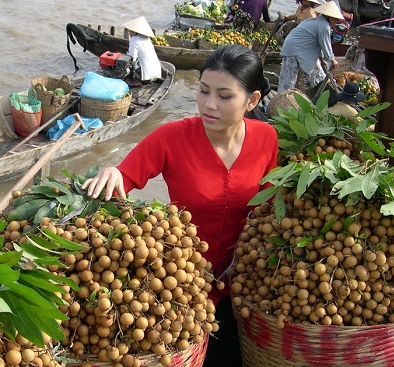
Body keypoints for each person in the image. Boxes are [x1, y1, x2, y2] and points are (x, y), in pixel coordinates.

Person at [81, 44, 278, 367]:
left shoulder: (266, 138)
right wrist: (112, 172)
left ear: (252, 100)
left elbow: (268, 209)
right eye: (203, 91)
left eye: (224, 96)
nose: (209, 104)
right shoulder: (171, 137)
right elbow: (125, 177)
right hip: (179, 290)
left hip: (244, 287)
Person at [277, 1, 344, 93]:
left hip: (301, 48)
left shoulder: (319, 22)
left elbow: (319, 44)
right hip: (293, 48)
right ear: (329, 17)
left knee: (319, 75)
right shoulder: (324, 26)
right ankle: (282, 100)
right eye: (335, 19)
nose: (336, 22)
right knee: (288, 80)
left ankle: (318, 93)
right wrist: (332, 60)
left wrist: (322, 58)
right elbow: (326, 45)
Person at [122, 16, 162, 83]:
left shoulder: (134, 40)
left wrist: (127, 55)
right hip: (157, 74)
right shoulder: (147, 39)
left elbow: (132, 58)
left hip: (145, 77)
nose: (129, 33)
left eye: (130, 31)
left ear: (135, 32)